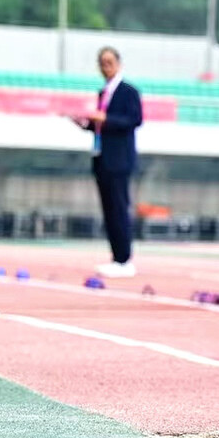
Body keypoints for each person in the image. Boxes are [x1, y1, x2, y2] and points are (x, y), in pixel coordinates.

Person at [70, 46, 143, 279]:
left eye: (109, 62)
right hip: (102, 156)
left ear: (118, 63)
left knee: (119, 208)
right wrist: (86, 123)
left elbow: (134, 120)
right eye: (102, 63)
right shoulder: (103, 93)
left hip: (119, 159)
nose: (105, 67)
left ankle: (124, 259)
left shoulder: (128, 91)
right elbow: (102, 126)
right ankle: (116, 258)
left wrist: (105, 118)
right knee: (109, 210)